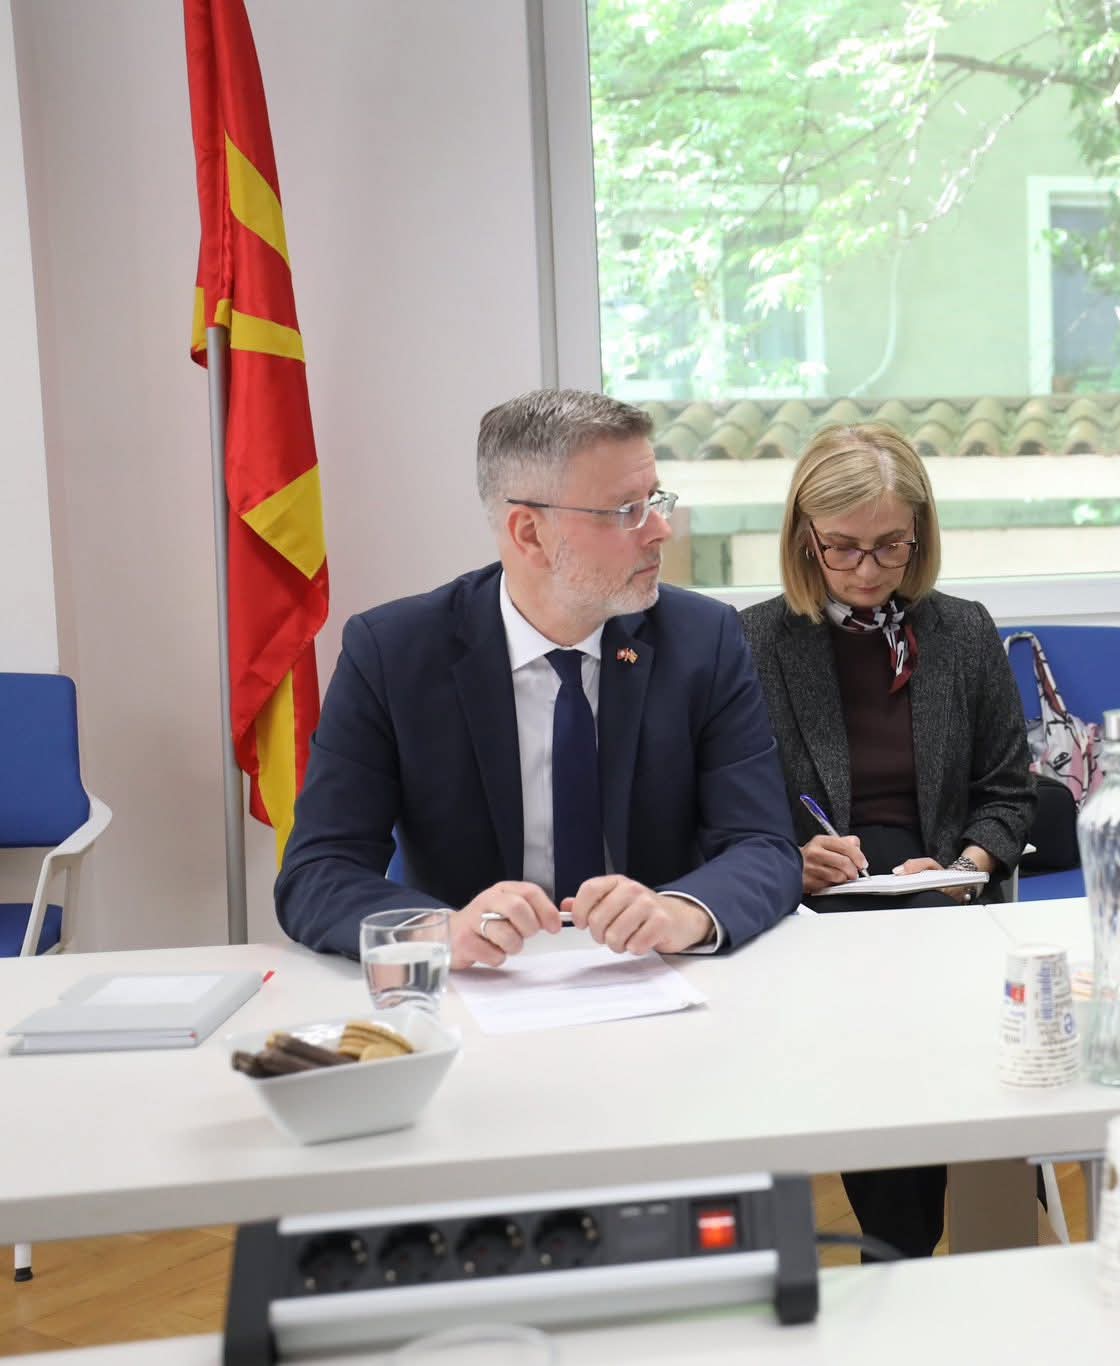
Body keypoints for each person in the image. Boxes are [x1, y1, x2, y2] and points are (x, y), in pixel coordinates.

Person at [277, 388, 802, 965]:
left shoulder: (704, 640)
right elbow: (318, 871)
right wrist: (438, 933)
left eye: (655, 500)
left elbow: (763, 845)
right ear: (529, 533)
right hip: (479, 985)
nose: (660, 530)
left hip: (649, 975)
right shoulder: (393, 653)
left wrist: (682, 912)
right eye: (626, 510)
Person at [740, 422, 1033, 1259]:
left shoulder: (963, 632)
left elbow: (1010, 793)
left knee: (915, 1029)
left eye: (889, 547)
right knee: (869, 1034)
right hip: (811, 913)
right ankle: (896, 1243)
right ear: (804, 537)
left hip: (937, 905)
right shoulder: (752, 641)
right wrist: (789, 860)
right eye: (842, 548)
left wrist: (966, 866)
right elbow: (718, 811)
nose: (867, 571)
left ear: (920, 535)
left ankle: (905, 1247)